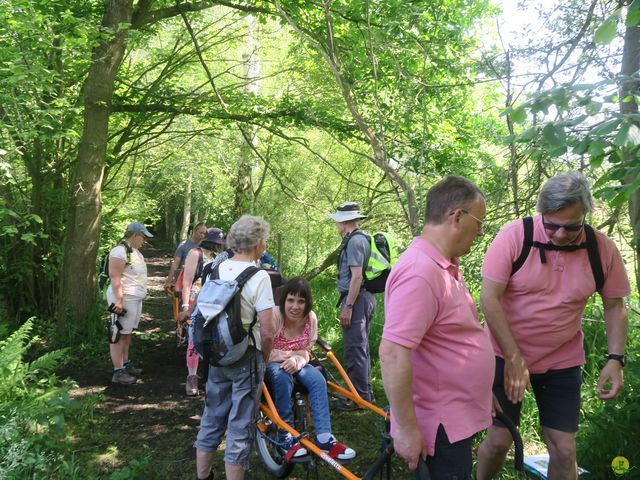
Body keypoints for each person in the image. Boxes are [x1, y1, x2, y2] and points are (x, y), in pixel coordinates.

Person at [476, 172, 630, 480]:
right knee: (499, 441)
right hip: (502, 355)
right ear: (541, 213)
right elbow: (489, 298)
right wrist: (514, 357)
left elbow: (615, 305)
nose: (560, 234)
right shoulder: (515, 236)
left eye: (571, 227)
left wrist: (615, 359)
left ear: (585, 215)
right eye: (552, 225)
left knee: (564, 449)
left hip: (562, 359)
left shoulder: (602, 250)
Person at [379, 176, 494, 479]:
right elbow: (392, 353)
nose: (480, 232)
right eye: (479, 222)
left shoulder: (443, 266)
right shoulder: (421, 273)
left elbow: (452, 339)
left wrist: (479, 392)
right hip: (440, 425)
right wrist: (405, 429)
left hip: (456, 416)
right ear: (457, 216)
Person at [195, 215, 275, 480]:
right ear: (258, 242)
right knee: (240, 426)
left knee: (212, 417)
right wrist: (264, 358)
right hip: (246, 356)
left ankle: (204, 476)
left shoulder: (216, 268)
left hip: (216, 353)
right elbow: (267, 330)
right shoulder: (259, 276)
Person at [265, 277, 356, 462]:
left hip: (298, 361)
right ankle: (286, 436)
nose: (295, 306)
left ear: (307, 303)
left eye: (301, 301)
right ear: (283, 300)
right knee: (282, 377)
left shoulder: (310, 318)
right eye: (291, 300)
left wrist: (298, 358)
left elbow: (307, 349)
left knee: (317, 379)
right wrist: (292, 356)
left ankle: (324, 438)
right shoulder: (274, 315)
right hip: (272, 363)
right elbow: (263, 350)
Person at [329, 202, 376, 410]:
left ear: (344, 221)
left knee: (354, 348)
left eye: (337, 221)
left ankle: (359, 399)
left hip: (357, 299)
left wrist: (348, 306)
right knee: (360, 347)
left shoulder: (355, 241)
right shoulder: (358, 239)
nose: (336, 225)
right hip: (362, 298)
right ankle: (364, 394)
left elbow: (356, 277)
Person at [178, 227, 226, 396]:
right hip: (194, 300)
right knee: (193, 339)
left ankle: (209, 377)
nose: (218, 246)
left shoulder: (217, 258)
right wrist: (185, 306)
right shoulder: (195, 253)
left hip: (212, 302)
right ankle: (192, 377)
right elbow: (187, 281)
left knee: (210, 339)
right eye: (216, 243)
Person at [106, 222, 154, 385]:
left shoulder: (136, 253)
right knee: (118, 335)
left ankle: (125, 364)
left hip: (134, 300)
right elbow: (115, 277)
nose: (144, 240)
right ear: (134, 235)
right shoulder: (119, 252)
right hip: (123, 300)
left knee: (127, 334)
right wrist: (119, 301)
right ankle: (118, 371)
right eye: (143, 237)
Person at [163, 222, 207, 292]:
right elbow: (175, 264)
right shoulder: (184, 245)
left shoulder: (205, 247)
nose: (202, 235)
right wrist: (169, 281)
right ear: (195, 231)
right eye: (201, 233)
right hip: (183, 281)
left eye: (204, 234)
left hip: (200, 283)